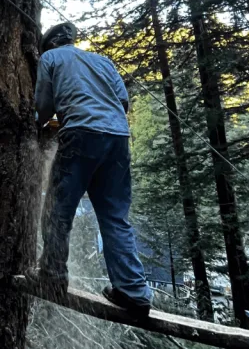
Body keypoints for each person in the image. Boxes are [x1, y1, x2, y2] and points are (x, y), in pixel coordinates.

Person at [33, 22, 152, 317]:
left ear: (49, 45)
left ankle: (52, 275)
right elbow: (122, 102)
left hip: (81, 134)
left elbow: (44, 106)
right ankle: (133, 291)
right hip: (118, 138)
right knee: (114, 216)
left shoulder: (50, 59)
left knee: (58, 209)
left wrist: (35, 127)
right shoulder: (103, 61)